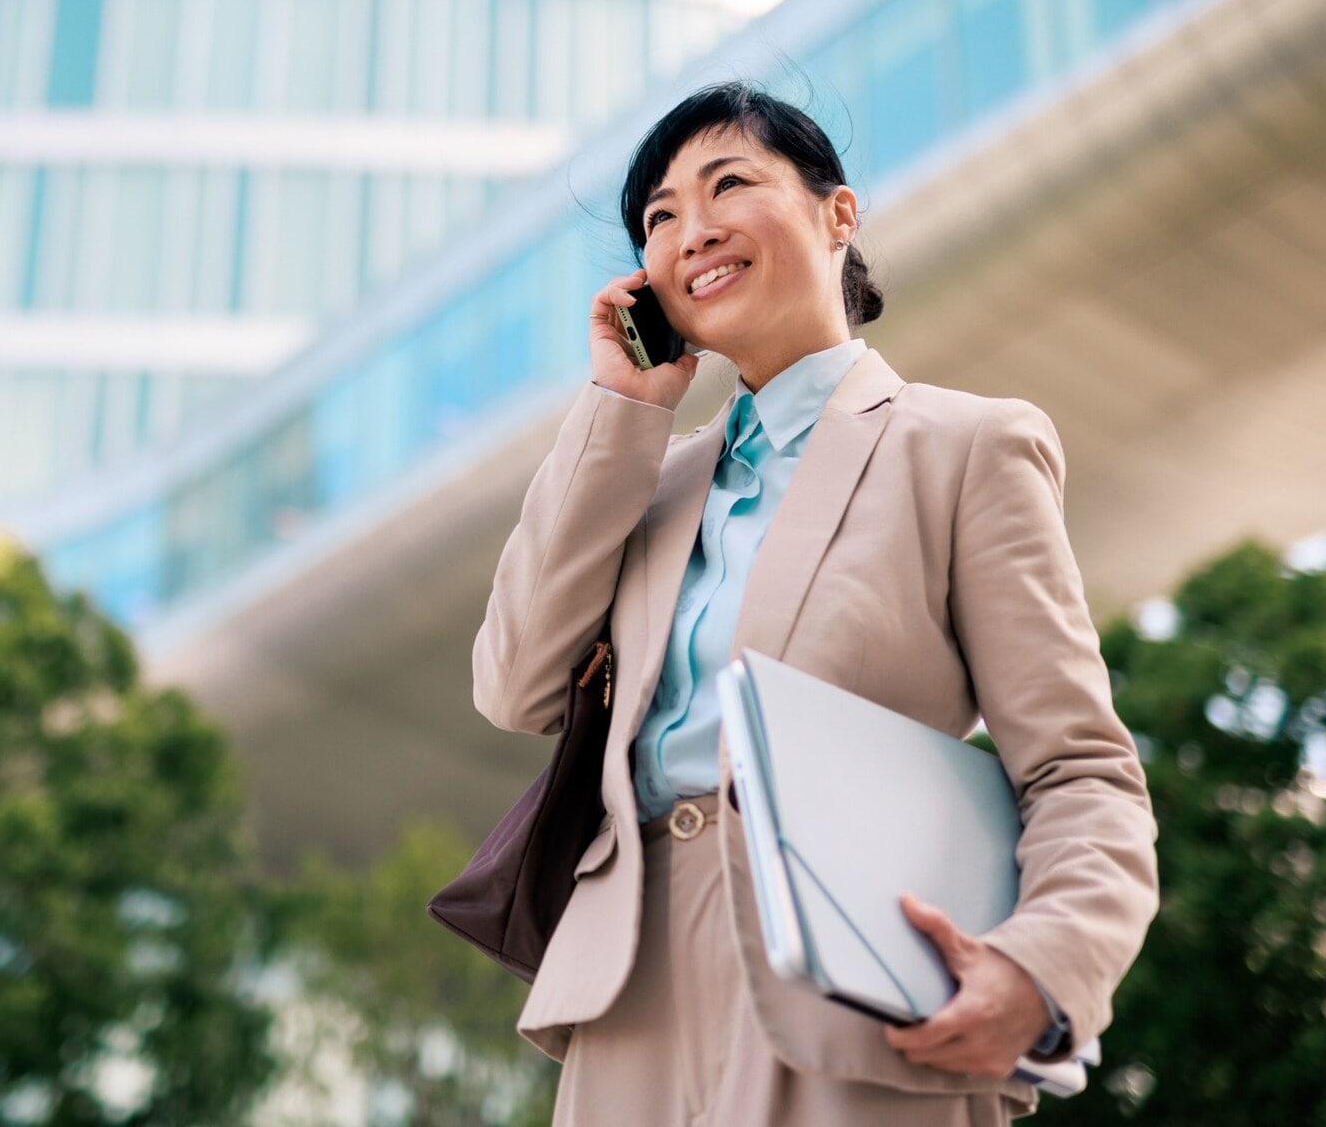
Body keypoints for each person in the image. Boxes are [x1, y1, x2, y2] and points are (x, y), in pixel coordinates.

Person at [470, 82, 1159, 1125]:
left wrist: (1041, 967)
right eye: (656, 218)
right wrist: (623, 409)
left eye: (726, 185)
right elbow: (514, 682)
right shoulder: (640, 486)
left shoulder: (963, 449)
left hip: (854, 992)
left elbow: (1076, 768)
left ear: (838, 214)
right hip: (626, 1003)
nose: (687, 230)